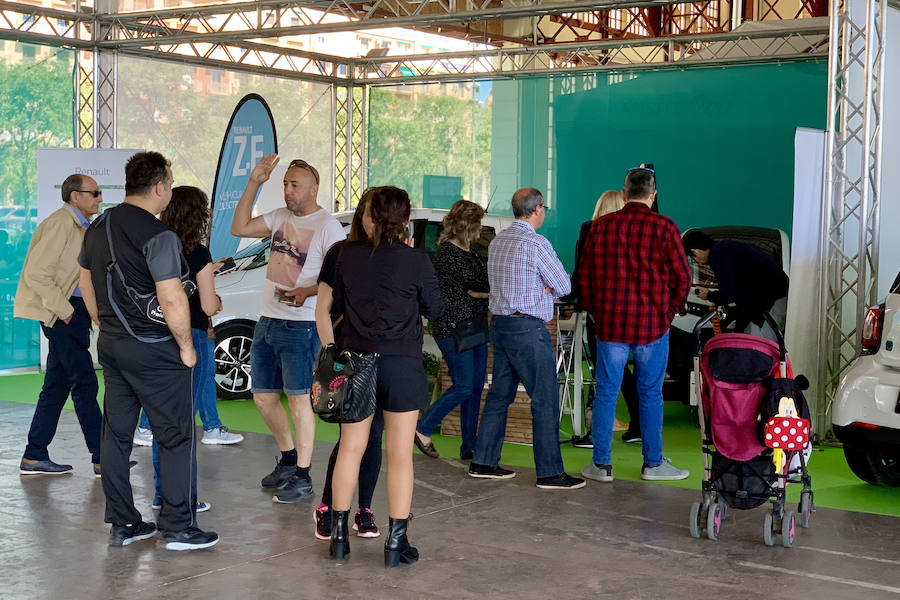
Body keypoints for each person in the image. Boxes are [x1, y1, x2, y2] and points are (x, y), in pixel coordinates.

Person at [79, 151, 218, 549]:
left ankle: (124, 524)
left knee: (117, 435)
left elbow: (85, 284)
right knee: (175, 436)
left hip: (112, 347)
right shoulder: (159, 235)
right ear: (159, 187)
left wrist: (104, 322)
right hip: (156, 350)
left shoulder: (97, 226)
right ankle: (178, 526)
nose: (170, 191)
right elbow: (172, 299)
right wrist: (187, 347)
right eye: (170, 184)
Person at [318, 186, 444, 567]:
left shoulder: (344, 256)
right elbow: (435, 309)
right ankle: (395, 543)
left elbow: (331, 306)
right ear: (406, 220)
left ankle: (339, 538)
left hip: (354, 360)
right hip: (402, 363)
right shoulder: (417, 259)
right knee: (400, 455)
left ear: (369, 216)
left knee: (350, 449)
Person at [230, 154, 345, 503]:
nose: (288, 191)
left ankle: (304, 475)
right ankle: (289, 458)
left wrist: (307, 291)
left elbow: (340, 280)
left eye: (294, 185)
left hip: (302, 326)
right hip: (267, 321)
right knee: (263, 399)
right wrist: (255, 182)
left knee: (299, 403)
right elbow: (239, 228)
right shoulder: (280, 217)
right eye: (284, 184)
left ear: (313, 187)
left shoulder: (328, 226)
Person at [576, 167, 692, 483]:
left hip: (611, 325)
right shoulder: (665, 227)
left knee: (606, 394)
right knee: (650, 394)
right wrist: (670, 312)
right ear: (652, 196)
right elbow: (683, 277)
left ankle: (600, 465)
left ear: (624, 194)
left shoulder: (599, 228)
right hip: (653, 327)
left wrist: (597, 312)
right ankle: (653, 463)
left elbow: (584, 278)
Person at [468, 188, 585, 490]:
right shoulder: (536, 243)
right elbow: (563, 285)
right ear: (536, 210)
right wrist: (545, 288)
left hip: (502, 325)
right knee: (544, 399)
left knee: (499, 396)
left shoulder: (497, 241)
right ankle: (549, 472)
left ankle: (484, 461)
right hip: (529, 329)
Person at [138, 185, 244, 512]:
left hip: (156, 338)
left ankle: (161, 494)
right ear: (199, 215)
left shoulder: (154, 246)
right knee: (184, 422)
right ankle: (182, 497)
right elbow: (209, 305)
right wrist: (214, 301)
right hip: (192, 337)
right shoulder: (199, 253)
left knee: (162, 420)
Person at [14, 174, 103, 475]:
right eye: (94, 193)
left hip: (71, 312)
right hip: (63, 313)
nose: (99, 198)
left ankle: (34, 454)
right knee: (85, 383)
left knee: (56, 387)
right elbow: (36, 274)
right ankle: (103, 456)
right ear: (75, 196)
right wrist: (66, 311)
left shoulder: (80, 225)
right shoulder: (60, 224)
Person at [313, 189, 384, 541]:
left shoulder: (394, 256)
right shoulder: (340, 253)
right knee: (350, 439)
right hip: (348, 356)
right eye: (373, 213)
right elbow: (322, 309)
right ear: (362, 216)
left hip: (383, 358)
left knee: (374, 439)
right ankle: (328, 506)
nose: (377, 221)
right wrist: (333, 354)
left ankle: (365, 509)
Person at [414, 199, 489, 461]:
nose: (481, 230)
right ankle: (422, 428)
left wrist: (479, 293)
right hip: (454, 328)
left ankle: (469, 445)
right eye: (478, 224)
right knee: (465, 385)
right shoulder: (448, 253)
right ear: (469, 225)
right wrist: (480, 293)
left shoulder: (471, 251)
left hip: (474, 325)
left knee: (475, 387)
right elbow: (477, 285)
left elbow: (479, 287)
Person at [567, 190, 640, 445]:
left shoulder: (591, 229)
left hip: (600, 311)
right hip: (629, 310)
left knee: (602, 371)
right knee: (622, 371)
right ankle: (638, 425)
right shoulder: (631, 231)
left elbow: (582, 269)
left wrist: (575, 298)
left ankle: (595, 432)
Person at [682, 230, 789, 341]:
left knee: (763, 344)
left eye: (693, 258)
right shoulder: (727, 249)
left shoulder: (718, 256)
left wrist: (709, 295)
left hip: (774, 300)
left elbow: (728, 294)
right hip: (769, 298)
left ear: (695, 251)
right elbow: (742, 292)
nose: (697, 262)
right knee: (751, 342)